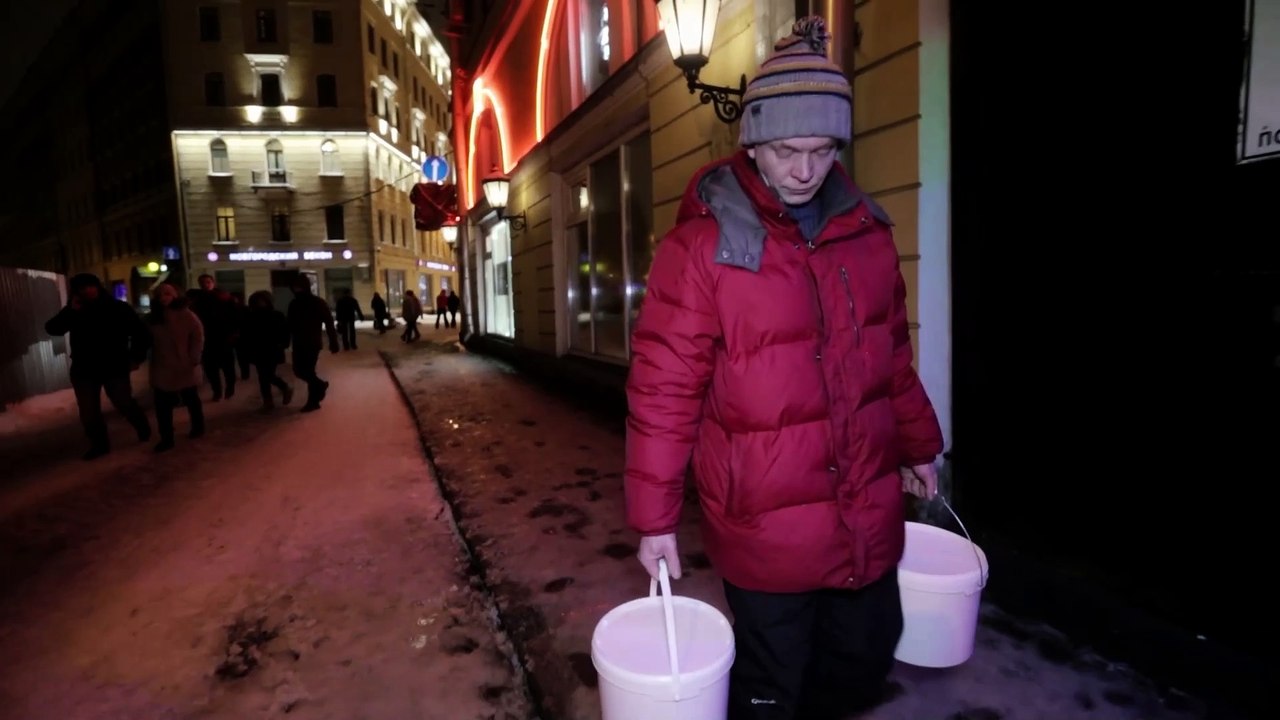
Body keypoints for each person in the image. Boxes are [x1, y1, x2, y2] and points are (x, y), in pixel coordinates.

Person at [623, 17, 944, 720]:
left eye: (823, 150)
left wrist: (920, 444)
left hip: (864, 507)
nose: (804, 170)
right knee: (773, 684)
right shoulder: (699, 251)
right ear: (753, 144)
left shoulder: (868, 234)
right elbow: (664, 392)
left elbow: (892, 358)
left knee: (864, 658)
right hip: (763, 526)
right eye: (786, 150)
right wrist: (655, 520)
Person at [44, 273, 153, 460]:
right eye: (82, 288)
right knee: (88, 411)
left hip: (114, 365)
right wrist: (71, 311)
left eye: (90, 286)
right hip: (84, 368)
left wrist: (135, 357)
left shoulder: (117, 308)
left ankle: (142, 426)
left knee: (123, 401)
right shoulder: (75, 310)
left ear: (98, 287)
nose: (87, 290)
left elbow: (140, 333)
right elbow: (53, 329)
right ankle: (99, 444)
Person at [145, 282, 205, 452]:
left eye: (167, 294)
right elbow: (146, 339)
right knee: (162, 405)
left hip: (185, 364)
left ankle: (198, 427)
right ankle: (167, 437)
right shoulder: (154, 318)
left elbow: (198, 337)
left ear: (175, 295)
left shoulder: (187, 315)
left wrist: (194, 357)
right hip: (162, 366)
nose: (164, 298)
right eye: (160, 295)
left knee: (191, 399)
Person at [285, 275, 339, 412]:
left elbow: (328, 322)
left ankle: (313, 401)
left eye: (298, 286)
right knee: (299, 371)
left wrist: (333, 341)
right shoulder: (294, 303)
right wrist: (286, 340)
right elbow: (289, 324)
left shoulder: (317, 302)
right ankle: (319, 386)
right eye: (294, 286)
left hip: (311, 342)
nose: (296, 289)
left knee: (307, 371)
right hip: (298, 342)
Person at [239, 290, 294, 411]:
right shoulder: (251, 316)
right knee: (264, 377)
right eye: (257, 301)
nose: (259, 304)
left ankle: (282, 390)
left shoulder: (276, 315)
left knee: (266, 376)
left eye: (261, 301)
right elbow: (246, 333)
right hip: (258, 350)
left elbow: (285, 331)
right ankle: (270, 400)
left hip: (272, 349)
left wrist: (283, 344)